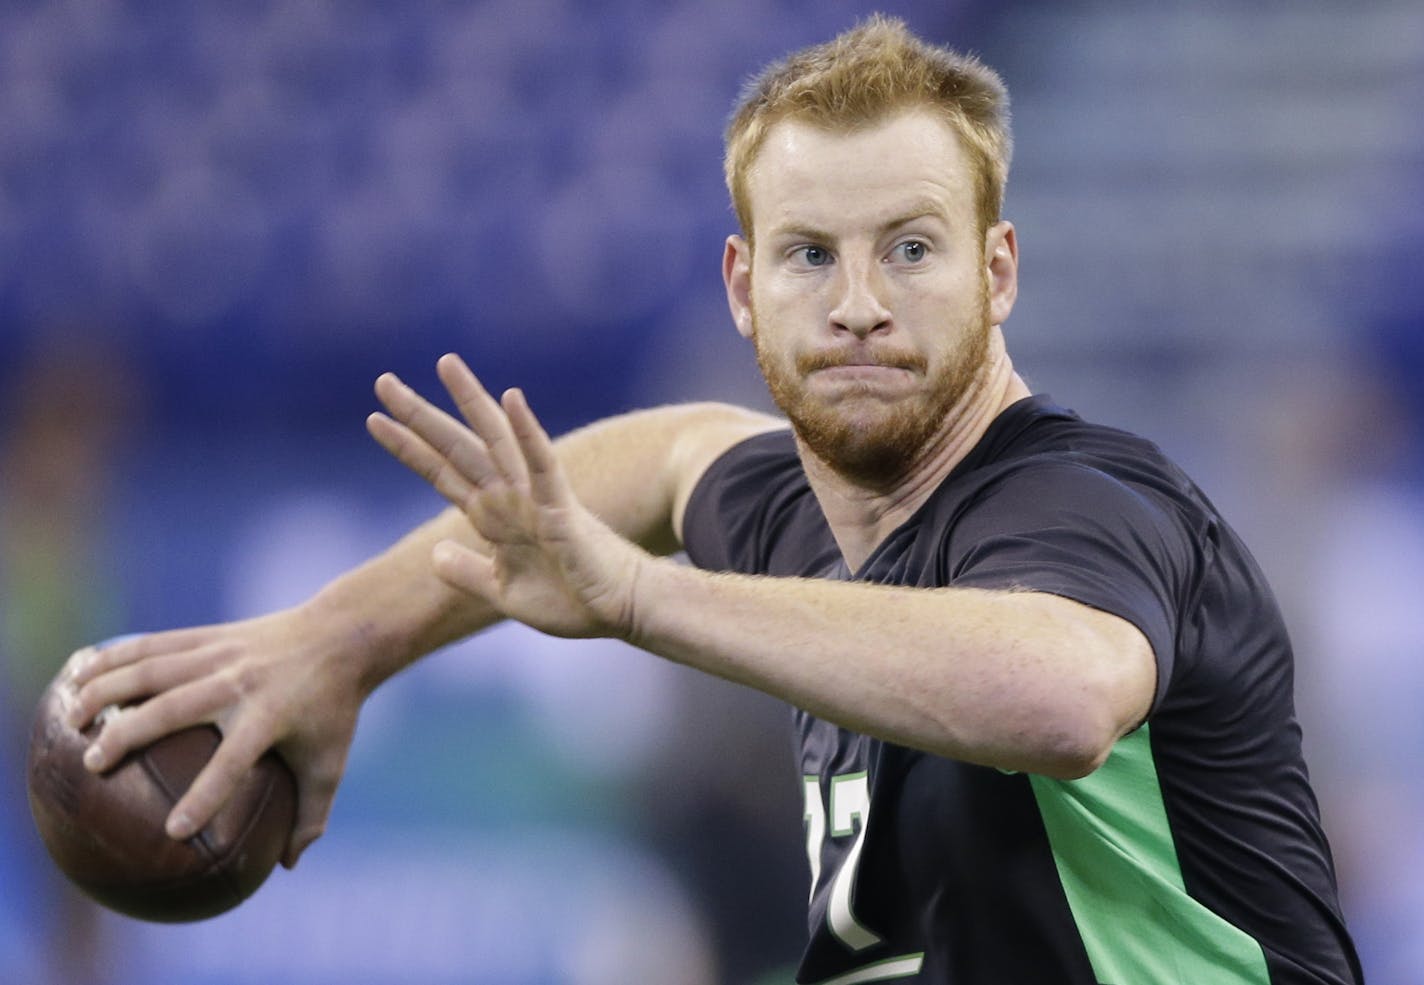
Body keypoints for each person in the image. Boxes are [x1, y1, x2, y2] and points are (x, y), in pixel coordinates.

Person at [65, 17, 1362, 984]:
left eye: (911, 247)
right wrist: (338, 641)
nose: (858, 302)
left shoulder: (1081, 500)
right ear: (744, 289)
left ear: (998, 268)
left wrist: (640, 599)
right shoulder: (820, 512)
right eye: (811, 255)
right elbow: (676, 455)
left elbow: (1062, 694)